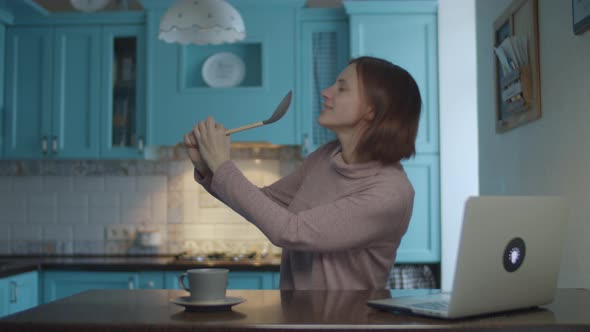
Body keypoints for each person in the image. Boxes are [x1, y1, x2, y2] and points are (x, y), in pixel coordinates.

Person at [183, 56, 422, 290]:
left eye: (341, 88)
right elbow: (265, 202)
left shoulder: (389, 193)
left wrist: (223, 165)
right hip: (297, 317)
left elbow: (291, 231)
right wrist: (209, 167)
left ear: (371, 110)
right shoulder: (325, 156)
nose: (326, 92)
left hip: (350, 322)